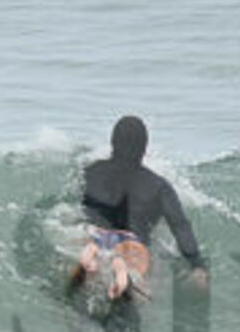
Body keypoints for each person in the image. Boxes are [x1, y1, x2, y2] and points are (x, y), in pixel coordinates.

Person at [69, 114, 209, 300]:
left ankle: (90, 257)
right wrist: (197, 265)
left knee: (91, 249)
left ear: (112, 142)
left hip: (94, 233)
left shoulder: (90, 172)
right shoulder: (158, 186)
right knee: (131, 273)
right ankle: (122, 274)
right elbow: (180, 226)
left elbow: (75, 208)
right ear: (144, 148)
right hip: (132, 243)